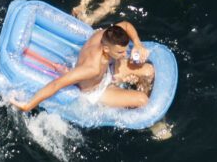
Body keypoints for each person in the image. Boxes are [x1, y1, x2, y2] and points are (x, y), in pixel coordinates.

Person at [10, 22, 153, 111]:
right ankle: (147, 119)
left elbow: (126, 25)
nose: (124, 54)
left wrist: (138, 44)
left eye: (125, 50)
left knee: (149, 71)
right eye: (120, 52)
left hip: (107, 70)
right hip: (97, 90)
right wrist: (29, 105)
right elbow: (56, 84)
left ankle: (127, 87)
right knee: (142, 100)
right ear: (106, 49)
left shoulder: (107, 34)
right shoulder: (91, 68)